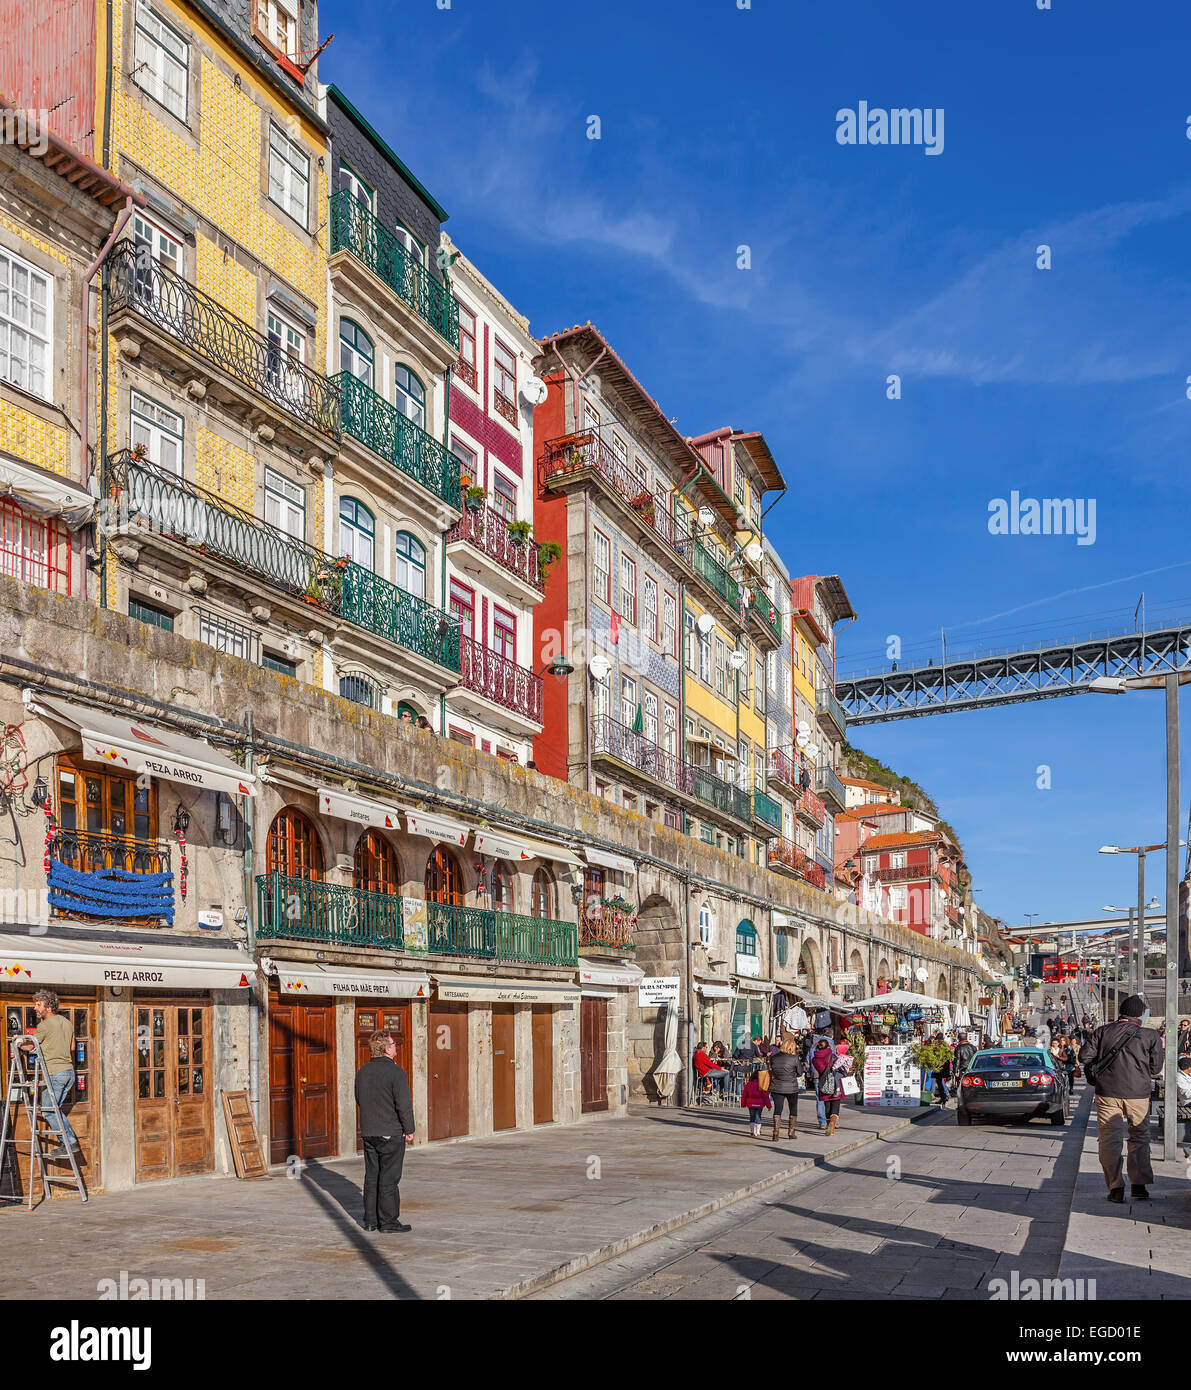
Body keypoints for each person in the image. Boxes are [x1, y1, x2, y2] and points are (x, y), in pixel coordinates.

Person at [1078, 995, 1164, 1204]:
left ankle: (1115, 1188)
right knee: (1140, 1138)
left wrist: (1097, 1072)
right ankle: (1139, 1185)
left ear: (1121, 1012)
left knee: (1109, 1140)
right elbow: (1156, 1068)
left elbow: (1083, 1057)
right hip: (1138, 1095)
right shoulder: (1150, 1035)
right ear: (1140, 1015)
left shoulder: (1103, 1031)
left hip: (1107, 1093)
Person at [354, 1030, 415, 1233]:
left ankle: (370, 1220)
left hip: (369, 1131)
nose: (395, 1046)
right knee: (389, 1178)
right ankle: (388, 1222)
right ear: (387, 1049)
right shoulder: (396, 1073)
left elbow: (359, 1099)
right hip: (390, 1131)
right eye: (393, 1044)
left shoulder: (362, 1072)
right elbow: (403, 1104)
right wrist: (409, 1129)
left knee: (372, 1176)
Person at [17, 989, 78, 1157]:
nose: (35, 1008)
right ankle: (69, 1142)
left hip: (55, 1073)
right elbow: (72, 1047)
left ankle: (70, 1142)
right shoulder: (67, 1022)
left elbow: (30, 1046)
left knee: (48, 1110)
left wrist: (18, 1043)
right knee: (54, 1108)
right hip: (68, 1072)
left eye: (38, 1005)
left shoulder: (44, 1025)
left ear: (49, 1007)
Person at [812, 1039, 853, 1136]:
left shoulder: (815, 1059)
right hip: (835, 1083)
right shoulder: (832, 1055)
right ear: (828, 1047)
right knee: (835, 1105)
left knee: (827, 1106)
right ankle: (832, 1124)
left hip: (823, 1083)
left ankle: (828, 1123)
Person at [767, 1036, 804, 1140]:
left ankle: (775, 1133)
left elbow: (772, 1070)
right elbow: (800, 1072)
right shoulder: (794, 1058)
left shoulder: (774, 1057)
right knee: (793, 1109)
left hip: (776, 1086)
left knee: (778, 1109)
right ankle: (791, 1132)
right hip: (791, 1087)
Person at [740, 1066, 772, 1138]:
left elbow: (744, 1095)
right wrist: (769, 1106)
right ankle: (757, 1131)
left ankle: (752, 1131)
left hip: (750, 1104)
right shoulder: (762, 1086)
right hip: (759, 1104)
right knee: (758, 1117)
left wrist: (743, 1103)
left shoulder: (748, 1085)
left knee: (752, 1116)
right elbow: (766, 1097)